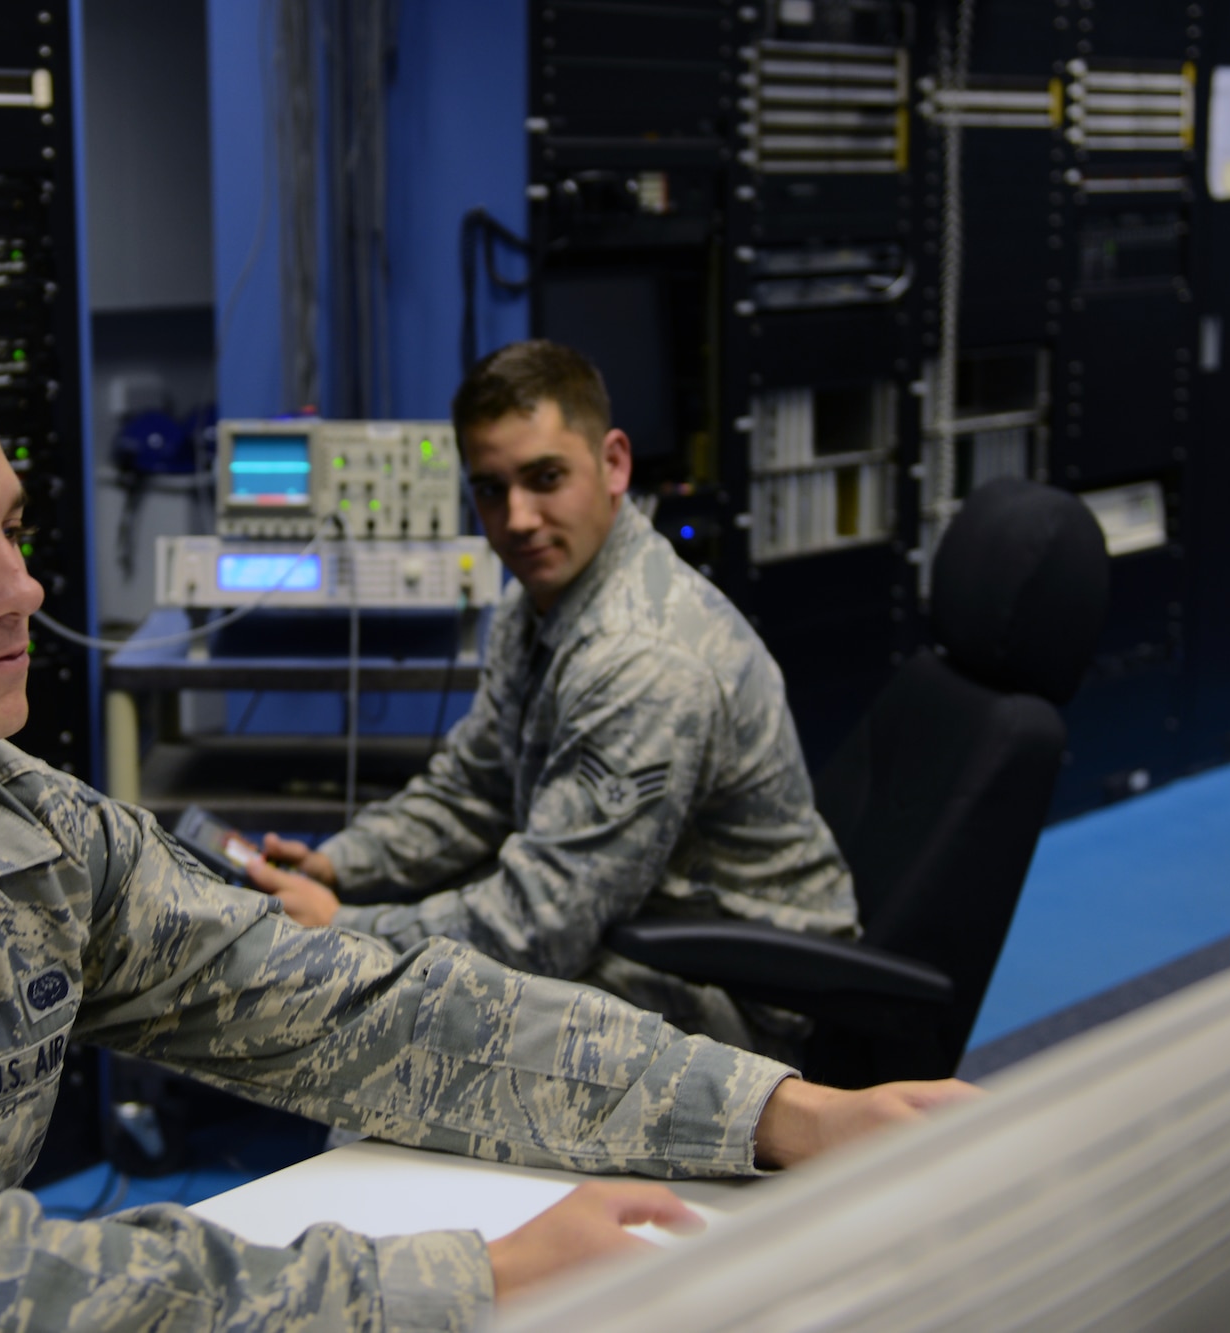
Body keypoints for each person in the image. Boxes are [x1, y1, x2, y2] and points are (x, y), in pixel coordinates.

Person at [0, 332, 971, 1333]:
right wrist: (459, 1278)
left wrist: (770, 1110)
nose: (21, 589)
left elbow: (349, 1005)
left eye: (9, 529)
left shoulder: (13, 822)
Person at [248, 340, 857, 1060]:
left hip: (745, 1001)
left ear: (614, 464)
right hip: (638, 929)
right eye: (491, 489)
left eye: (545, 478)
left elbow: (538, 929)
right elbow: (471, 788)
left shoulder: (644, 658)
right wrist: (343, 866)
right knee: (410, 997)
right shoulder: (537, 600)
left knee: (409, 1035)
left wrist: (346, 930)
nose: (519, 517)